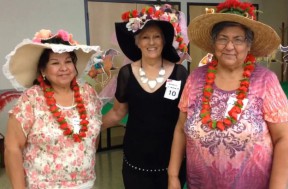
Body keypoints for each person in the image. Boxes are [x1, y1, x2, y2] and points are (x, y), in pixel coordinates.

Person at [168, 0, 288, 189]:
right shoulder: (196, 78)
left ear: (249, 45)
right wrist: (173, 176)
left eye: (238, 39)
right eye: (222, 38)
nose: (229, 46)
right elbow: (180, 128)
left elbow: (285, 139)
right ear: (213, 43)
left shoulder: (265, 81)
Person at [102, 5, 189, 189]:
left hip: (171, 162)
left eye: (156, 36)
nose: (151, 42)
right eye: (145, 37)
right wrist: (89, 128)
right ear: (137, 42)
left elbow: (186, 120)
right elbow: (118, 112)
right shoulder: (126, 73)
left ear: (164, 41)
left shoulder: (179, 73)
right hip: (135, 162)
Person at [3, 29, 102, 189]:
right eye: (55, 63)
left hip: (86, 184)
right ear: (43, 70)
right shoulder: (32, 98)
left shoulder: (88, 93)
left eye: (68, 61)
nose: (64, 68)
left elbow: (93, 136)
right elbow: (12, 148)